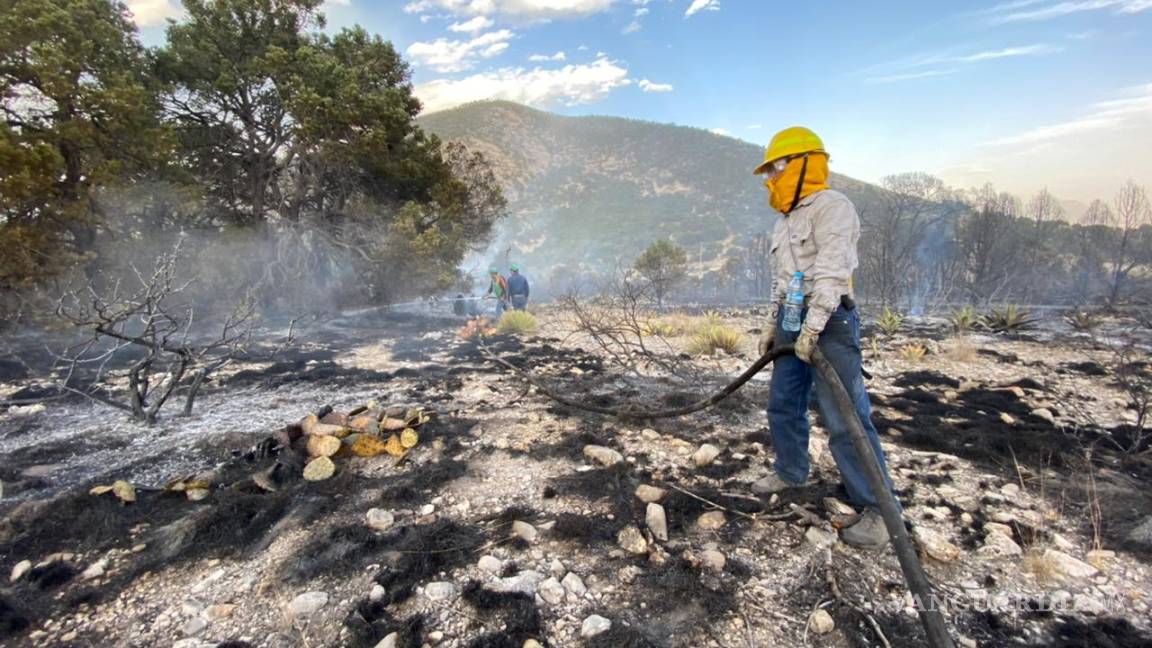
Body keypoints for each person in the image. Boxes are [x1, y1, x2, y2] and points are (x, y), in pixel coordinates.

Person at [751, 126, 899, 549]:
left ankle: (880, 511)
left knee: (844, 417)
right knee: (783, 402)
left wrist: (814, 327)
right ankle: (791, 470)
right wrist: (772, 323)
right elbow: (782, 281)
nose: (770, 179)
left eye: (776, 169)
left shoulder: (834, 207)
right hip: (792, 320)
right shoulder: (785, 221)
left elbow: (833, 272)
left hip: (830, 322)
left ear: (801, 165)